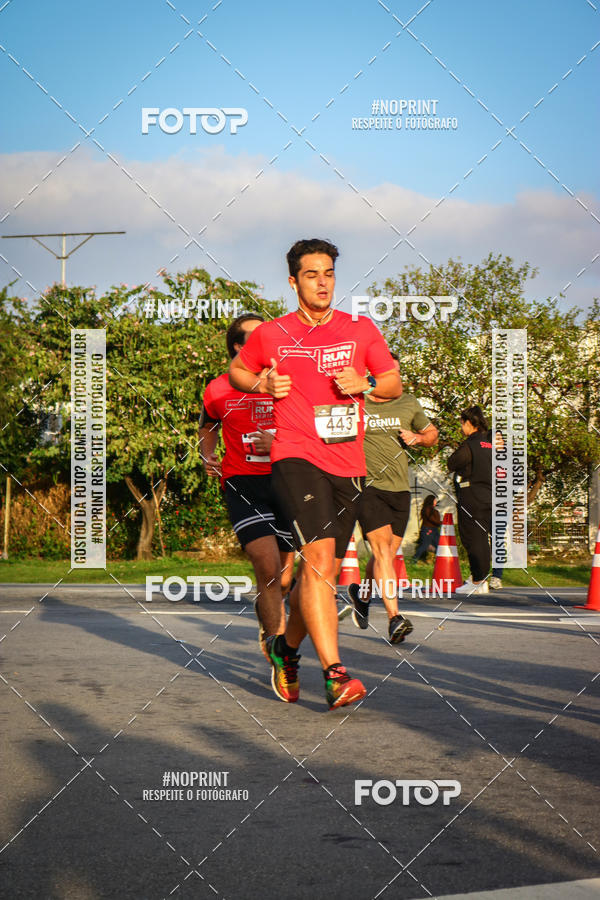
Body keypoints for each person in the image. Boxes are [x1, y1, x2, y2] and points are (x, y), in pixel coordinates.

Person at [229, 238, 402, 709]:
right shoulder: (271, 333)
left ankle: (286, 650)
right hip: (295, 456)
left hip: (347, 464)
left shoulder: (360, 329)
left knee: (317, 573)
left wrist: (365, 383)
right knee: (321, 561)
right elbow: (237, 373)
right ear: (293, 281)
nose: (322, 282)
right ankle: (335, 673)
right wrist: (262, 381)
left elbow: (392, 382)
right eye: (312, 274)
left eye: (328, 273)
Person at [199, 313, 295, 657]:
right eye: (256, 337)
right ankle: (279, 649)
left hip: (288, 482)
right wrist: (207, 455)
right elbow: (208, 425)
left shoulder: (285, 381)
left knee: (283, 579)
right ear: (239, 347)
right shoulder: (218, 388)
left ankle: (270, 620)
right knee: (267, 570)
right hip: (243, 484)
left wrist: (283, 443)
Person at [344, 371, 439, 640]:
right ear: (372, 378)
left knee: (385, 554)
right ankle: (394, 618)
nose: (394, 382)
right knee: (383, 551)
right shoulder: (355, 402)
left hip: (399, 490)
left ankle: (361, 595)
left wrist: (418, 438)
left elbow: (432, 433)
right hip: (367, 486)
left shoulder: (408, 402)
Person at [447, 405, 503, 594]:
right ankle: (479, 577)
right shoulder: (491, 444)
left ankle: (478, 580)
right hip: (491, 496)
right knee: (484, 538)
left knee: (473, 539)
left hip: (472, 497)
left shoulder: (470, 444)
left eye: (462, 423)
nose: (462, 428)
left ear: (470, 423)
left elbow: (453, 462)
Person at [412, 495, 442, 562]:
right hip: (428, 530)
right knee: (424, 545)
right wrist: (442, 522)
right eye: (435, 500)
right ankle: (414, 559)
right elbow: (432, 519)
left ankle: (440, 561)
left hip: (434, 530)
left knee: (439, 545)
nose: (436, 502)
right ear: (431, 501)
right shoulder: (427, 509)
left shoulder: (434, 510)